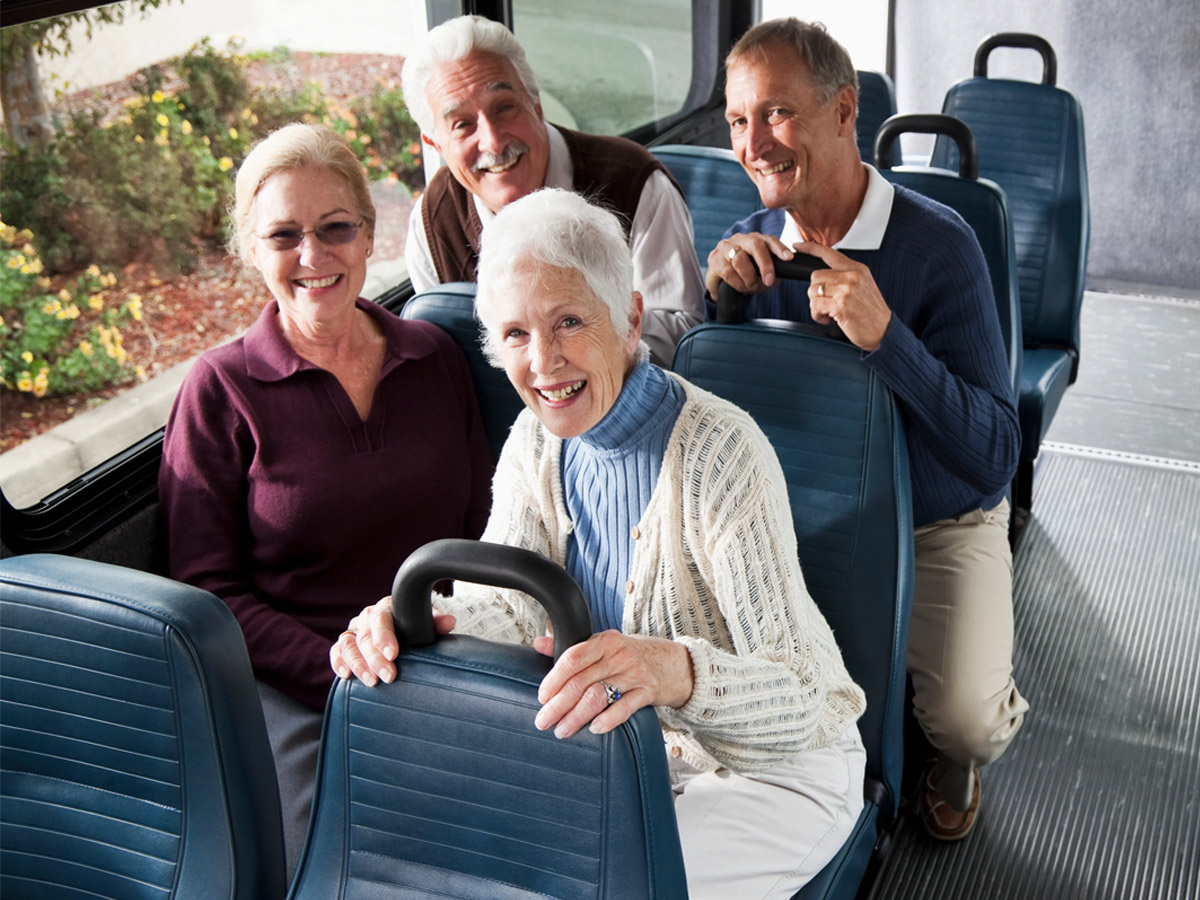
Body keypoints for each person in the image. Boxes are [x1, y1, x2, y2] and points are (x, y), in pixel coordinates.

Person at [332, 188, 867, 899]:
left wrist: (672, 671)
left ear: (630, 320)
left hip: (773, 765)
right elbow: (509, 610)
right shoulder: (533, 442)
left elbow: (804, 697)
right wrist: (415, 622)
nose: (544, 362)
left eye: (570, 322)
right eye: (516, 335)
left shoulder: (721, 451)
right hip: (623, 752)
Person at [704, 18, 1028, 841]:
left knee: (966, 720)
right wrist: (719, 308)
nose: (754, 142)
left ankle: (948, 764)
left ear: (845, 111)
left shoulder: (941, 247)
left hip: (938, 517)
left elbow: (994, 451)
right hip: (807, 517)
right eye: (739, 120)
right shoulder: (753, 252)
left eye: (776, 113)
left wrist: (890, 340)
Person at [157, 123, 493, 878]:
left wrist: (450, 649)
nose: (314, 256)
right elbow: (208, 593)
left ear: (370, 234)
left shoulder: (433, 356)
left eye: (335, 228)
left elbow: (485, 527)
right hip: (300, 689)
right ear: (253, 252)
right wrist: (338, 666)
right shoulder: (220, 391)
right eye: (284, 235)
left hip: (451, 654)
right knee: (336, 871)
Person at [401, 14, 704, 367]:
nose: (493, 141)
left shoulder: (635, 185)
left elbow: (680, 338)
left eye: (505, 108)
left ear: (535, 103)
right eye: (462, 125)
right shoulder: (432, 224)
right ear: (434, 143)